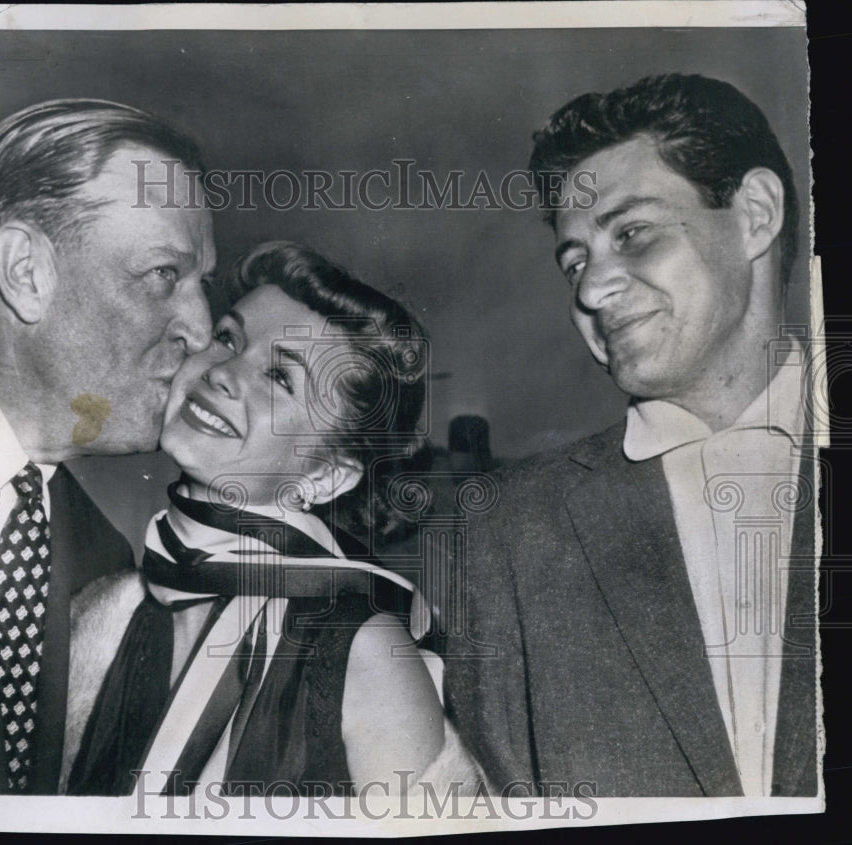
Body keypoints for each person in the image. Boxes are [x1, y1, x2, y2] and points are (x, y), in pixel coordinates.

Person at [445, 74, 817, 797]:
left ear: (755, 215)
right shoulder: (511, 533)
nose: (589, 289)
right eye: (575, 260)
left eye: (633, 233)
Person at [0, 99, 215, 794]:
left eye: (200, 284)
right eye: (162, 275)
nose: (201, 331)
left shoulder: (102, 562)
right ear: (27, 272)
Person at [60, 242, 466, 797]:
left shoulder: (364, 650)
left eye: (279, 377)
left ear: (326, 476)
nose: (224, 372)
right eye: (228, 337)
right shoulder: (107, 605)